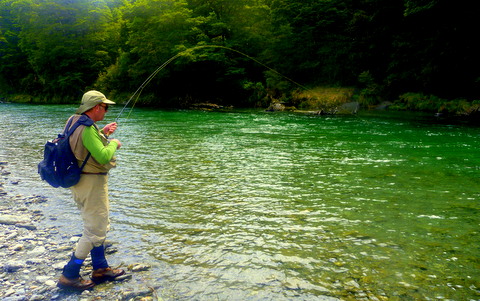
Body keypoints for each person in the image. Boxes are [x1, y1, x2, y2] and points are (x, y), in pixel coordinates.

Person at [57, 90, 125, 290]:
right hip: (91, 185)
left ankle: (100, 268)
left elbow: (82, 145)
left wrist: (103, 133)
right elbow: (103, 156)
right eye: (105, 107)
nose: (107, 110)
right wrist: (114, 143)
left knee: (99, 225)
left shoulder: (74, 120)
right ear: (96, 107)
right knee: (94, 231)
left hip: (80, 183)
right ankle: (69, 275)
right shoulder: (87, 128)